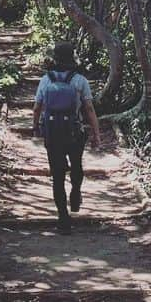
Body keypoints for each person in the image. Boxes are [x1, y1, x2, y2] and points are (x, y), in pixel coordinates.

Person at [31, 40, 102, 234]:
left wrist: (35, 127)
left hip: (52, 132)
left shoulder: (46, 80)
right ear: (73, 58)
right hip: (74, 131)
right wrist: (96, 134)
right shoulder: (80, 80)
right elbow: (88, 108)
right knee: (77, 166)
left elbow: (37, 107)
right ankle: (76, 191)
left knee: (58, 174)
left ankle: (63, 218)